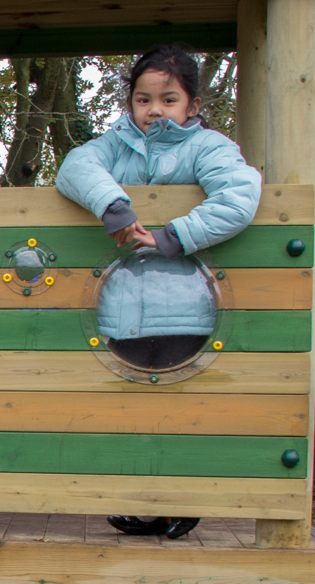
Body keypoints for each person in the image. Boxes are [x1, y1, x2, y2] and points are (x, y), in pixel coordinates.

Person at [53, 42, 263, 540]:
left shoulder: (208, 148)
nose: (154, 110)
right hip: (121, 310)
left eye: (168, 99)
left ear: (191, 104)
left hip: (186, 309)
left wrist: (172, 234)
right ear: (131, 103)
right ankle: (139, 501)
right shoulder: (116, 144)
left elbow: (239, 197)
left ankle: (181, 503)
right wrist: (117, 209)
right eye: (144, 99)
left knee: (181, 408)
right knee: (127, 408)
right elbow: (74, 168)